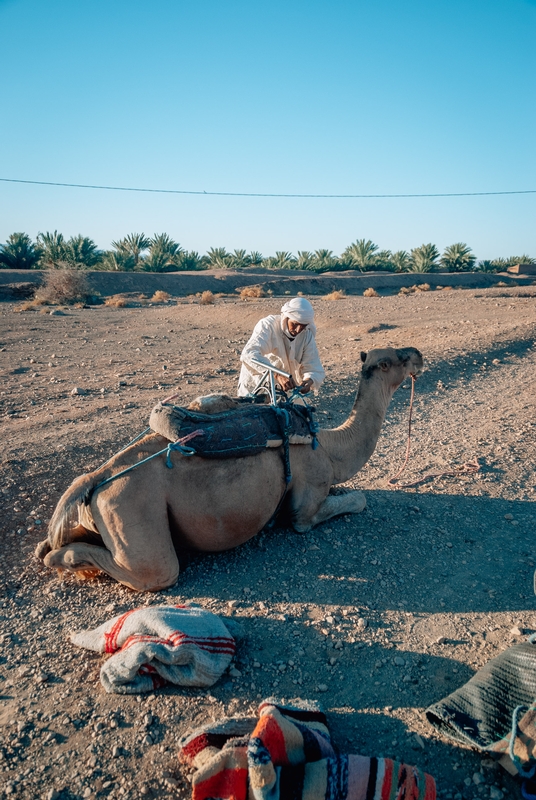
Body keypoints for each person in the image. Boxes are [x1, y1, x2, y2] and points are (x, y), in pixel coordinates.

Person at [237, 297, 325, 397]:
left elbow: (314, 367)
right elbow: (249, 354)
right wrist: (276, 374)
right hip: (257, 387)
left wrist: (309, 381)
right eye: (295, 324)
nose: (298, 330)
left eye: (303, 325)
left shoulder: (306, 334)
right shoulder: (268, 326)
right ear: (286, 317)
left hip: (286, 390)